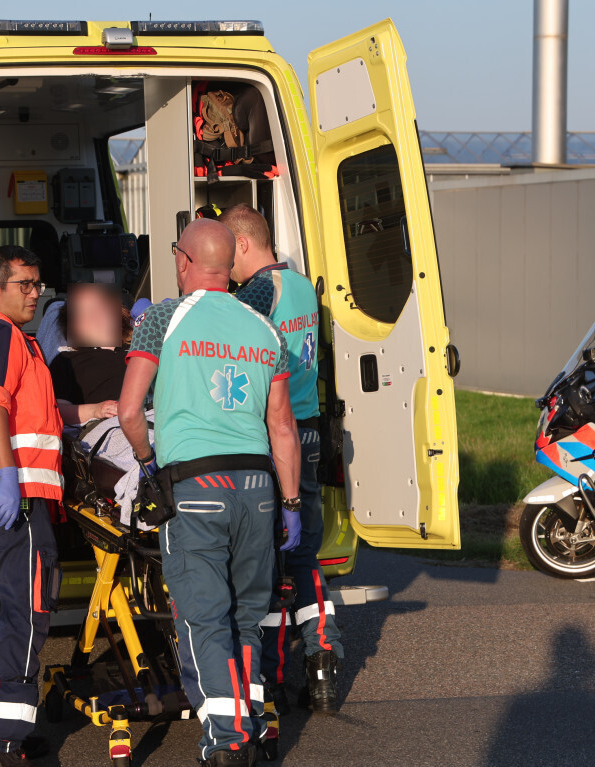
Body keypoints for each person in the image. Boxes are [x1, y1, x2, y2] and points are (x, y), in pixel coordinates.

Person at [117, 218, 302, 766]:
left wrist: (149, 464)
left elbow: (129, 412)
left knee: (202, 619)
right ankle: (249, 722)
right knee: (248, 618)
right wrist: (290, 504)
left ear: (183, 260)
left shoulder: (162, 319)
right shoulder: (263, 329)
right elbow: (283, 428)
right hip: (259, 488)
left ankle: (227, 741)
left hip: (195, 486)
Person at [222, 203, 344, 716]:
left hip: (277, 437)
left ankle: (267, 682)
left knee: (264, 566)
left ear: (244, 244)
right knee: (305, 557)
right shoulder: (299, 287)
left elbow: (229, 351)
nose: (225, 266)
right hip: (310, 429)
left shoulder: (257, 291)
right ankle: (322, 660)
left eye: (228, 254)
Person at [0, 245, 63, 767]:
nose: (35, 292)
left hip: (9, 501)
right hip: (14, 500)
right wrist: (7, 476)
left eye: (38, 283)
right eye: (24, 283)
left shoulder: (14, 340)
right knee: (28, 614)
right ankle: (5, 737)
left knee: (4, 614)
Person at [48, 282, 131, 425]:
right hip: (107, 427)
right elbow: (58, 410)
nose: (94, 317)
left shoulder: (140, 350)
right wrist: (96, 410)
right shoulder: (66, 360)